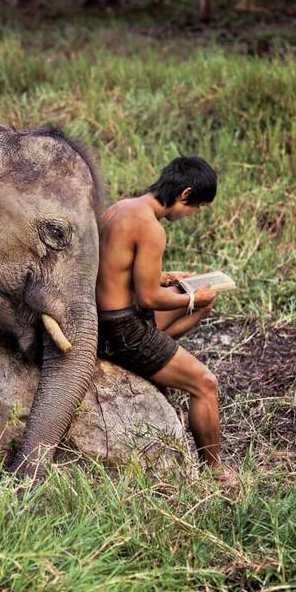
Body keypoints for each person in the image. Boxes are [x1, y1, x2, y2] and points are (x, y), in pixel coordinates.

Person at [95, 156, 233, 481]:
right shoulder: (152, 229)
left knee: (201, 305)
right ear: (184, 195)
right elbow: (148, 298)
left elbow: (116, 271)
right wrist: (192, 296)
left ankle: (160, 363)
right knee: (205, 384)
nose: (191, 215)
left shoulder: (122, 208)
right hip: (123, 329)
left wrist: (166, 278)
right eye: (195, 208)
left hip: (103, 318)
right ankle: (217, 472)